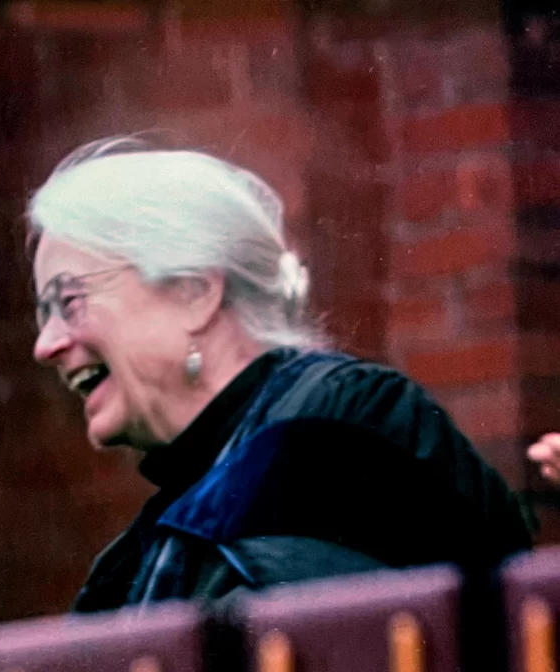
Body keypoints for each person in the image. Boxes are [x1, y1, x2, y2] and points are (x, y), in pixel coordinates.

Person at [27, 138, 531, 612]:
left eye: (69, 302)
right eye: (44, 312)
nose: (46, 345)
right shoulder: (138, 555)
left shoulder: (339, 427)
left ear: (194, 292)